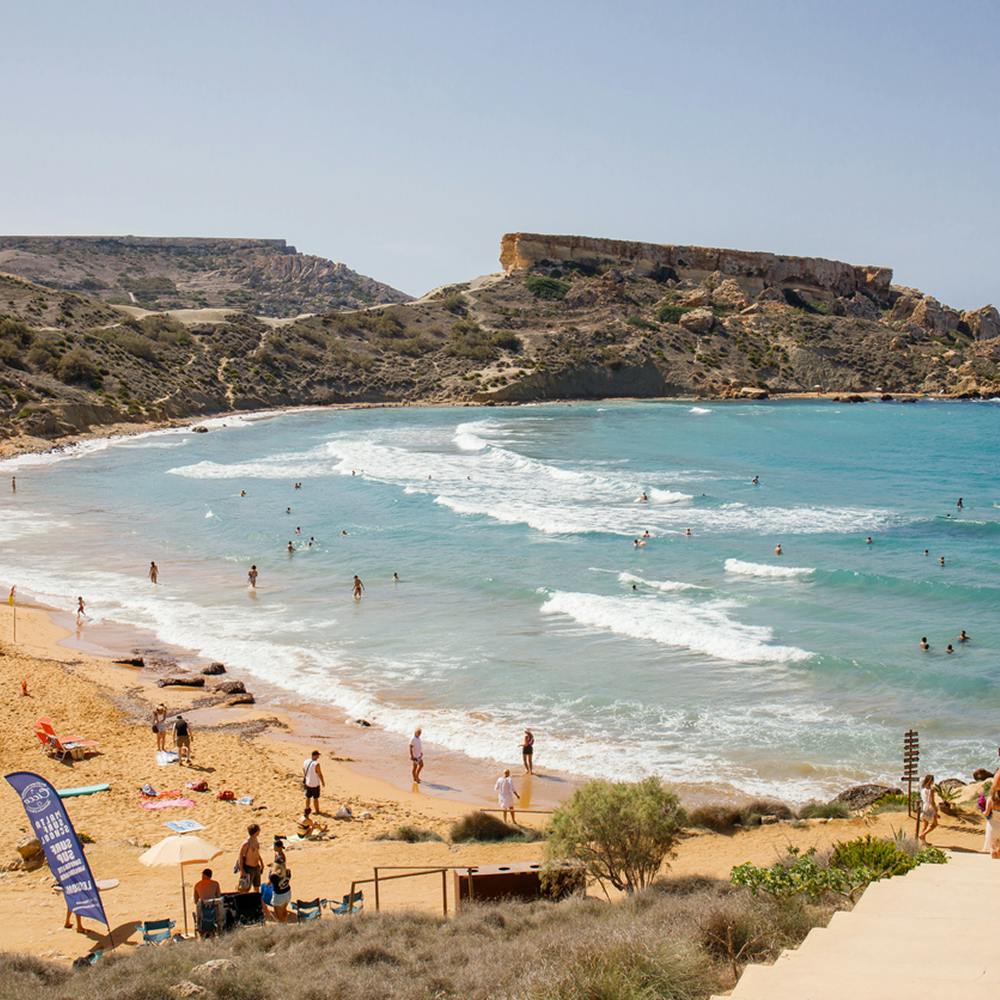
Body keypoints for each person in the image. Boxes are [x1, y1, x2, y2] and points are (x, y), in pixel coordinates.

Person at [268, 838, 291, 922]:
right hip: (286, 891)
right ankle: (284, 922)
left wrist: (273, 870)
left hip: (279, 892)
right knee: (283, 909)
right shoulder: (277, 854)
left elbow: (281, 867)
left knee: (278, 914)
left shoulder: (281, 856)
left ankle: (281, 924)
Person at [237, 824, 263, 892]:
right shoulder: (246, 843)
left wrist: (261, 863)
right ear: (256, 831)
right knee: (245, 889)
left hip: (256, 867)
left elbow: (257, 852)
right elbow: (240, 856)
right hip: (249, 868)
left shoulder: (256, 840)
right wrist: (242, 870)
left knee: (257, 887)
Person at [919, 774, 938, 843]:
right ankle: (922, 835)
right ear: (932, 781)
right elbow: (932, 802)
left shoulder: (923, 789)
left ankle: (923, 842)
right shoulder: (931, 790)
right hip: (930, 807)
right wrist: (936, 810)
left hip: (924, 806)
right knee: (935, 824)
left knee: (925, 825)